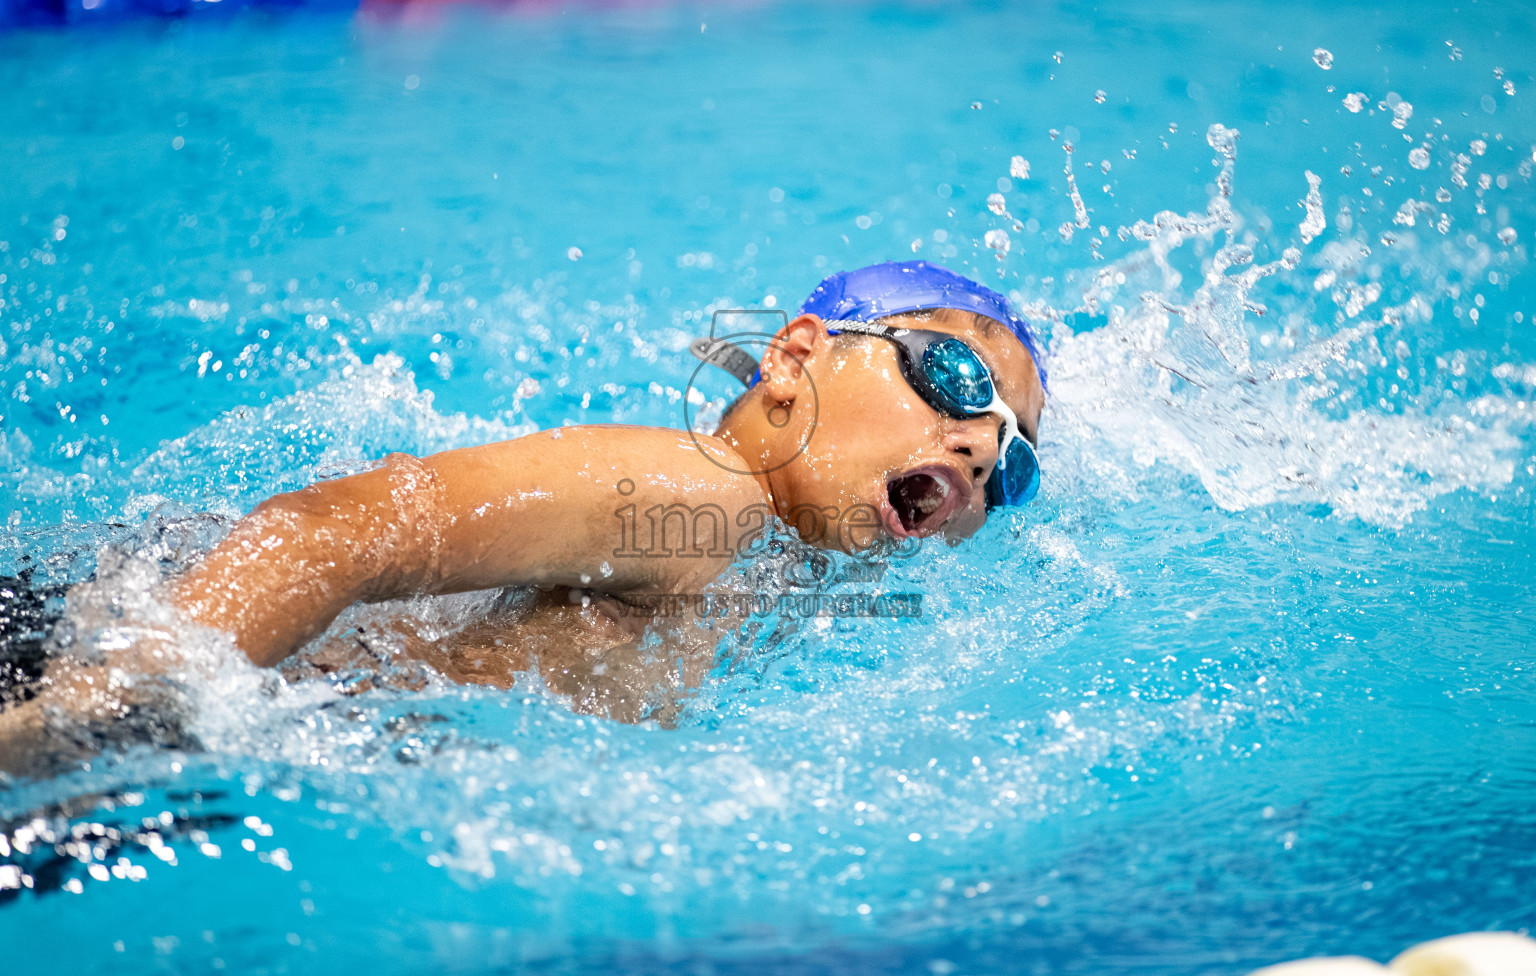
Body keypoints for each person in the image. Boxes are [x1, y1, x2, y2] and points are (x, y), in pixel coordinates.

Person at [0, 261, 1046, 773]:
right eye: (953, 377)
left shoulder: (766, 573)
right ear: (795, 358)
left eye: (1015, 461)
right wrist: (99, 710)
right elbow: (324, 533)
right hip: (101, 674)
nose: (980, 444)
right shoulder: (702, 495)